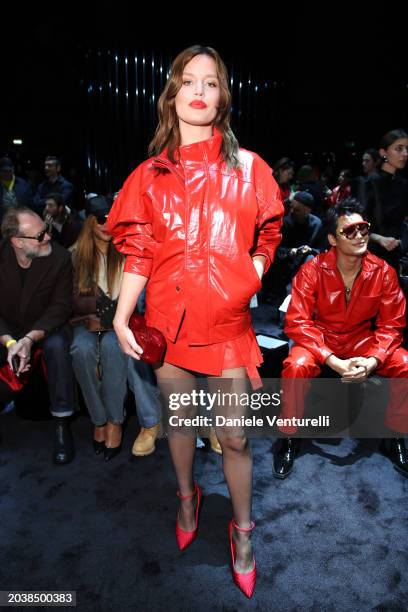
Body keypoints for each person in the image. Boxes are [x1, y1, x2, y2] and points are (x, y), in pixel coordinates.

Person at [107, 45, 283, 598]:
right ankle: (187, 497)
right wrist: (120, 316)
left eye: (211, 81)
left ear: (223, 96)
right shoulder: (149, 176)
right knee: (179, 426)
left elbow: (270, 234)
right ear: (173, 95)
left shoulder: (249, 167)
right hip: (168, 323)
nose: (200, 90)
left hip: (228, 324)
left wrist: (250, 277)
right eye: (189, 81)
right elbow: (138, 252)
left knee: (233, 435)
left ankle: (244, 530)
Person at [273, 199, 408, 479]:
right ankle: (288, 436)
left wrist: (373, 360)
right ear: (333, 239)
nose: (359, 235)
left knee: (404, 363)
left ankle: (395, 435)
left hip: (362, 339)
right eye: (350, 231)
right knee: (296, 366)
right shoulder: (312, 270)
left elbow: (392, 325)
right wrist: (330, 359)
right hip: (320, 339)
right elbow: (297, 321)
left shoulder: (383, 271)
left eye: (364, 228)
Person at [70, 197, 162, 461]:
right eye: (101, 219)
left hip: (120, 324)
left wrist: (110, 315)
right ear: (89, 222)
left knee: (114, 347)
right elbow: (68, 300)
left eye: (113, 218)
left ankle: (114, 421)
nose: (107, 224)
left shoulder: (126, 249)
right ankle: (98, 420)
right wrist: (97, 309)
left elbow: (136, 297)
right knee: (80, 350)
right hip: (86, 324)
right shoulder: (75, 256)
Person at [0, 207, 76, 464]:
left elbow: (61, 307)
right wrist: (10, 341)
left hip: (46, 328)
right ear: (17, 242)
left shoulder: (60, 258)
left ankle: (61, 424)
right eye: (39, 235)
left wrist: (30, 339)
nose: (47, 237)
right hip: (9, 331)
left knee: (56, 346)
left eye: (46, 229)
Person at [360, 128, 408, 269]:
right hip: (369, 254)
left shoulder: (402, 184)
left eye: (406, 149)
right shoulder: (367, 184)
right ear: (383, 153)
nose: (405, 154)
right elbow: (357, 225)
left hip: (396, 255)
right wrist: (379, 239)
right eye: (399, 149)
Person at [0, 157, 33, 223]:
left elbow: (30, 204)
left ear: (13, 169)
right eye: (4, 171)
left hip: (20, 222)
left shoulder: (23, 184)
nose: (6, 173)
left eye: (9, 171)